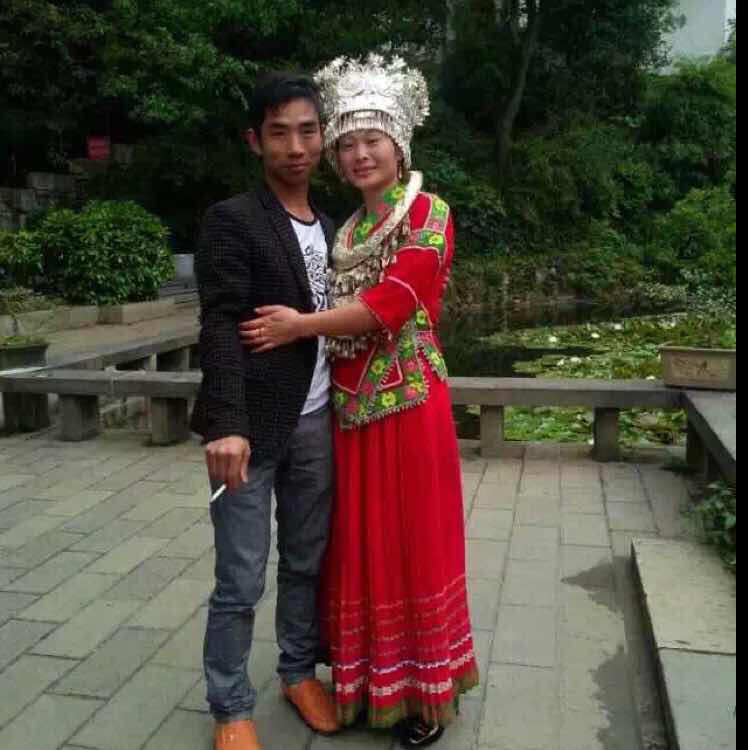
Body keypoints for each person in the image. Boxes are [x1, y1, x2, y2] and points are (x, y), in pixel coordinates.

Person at [240, 55, 479, 748]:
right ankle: (373, 683)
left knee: (413, 544)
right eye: (347, 144)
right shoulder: (344, 232)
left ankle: (426, 697)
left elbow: (390, 305)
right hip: (349, 415)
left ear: (398, 145)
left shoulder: (429, 213)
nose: (359, 154)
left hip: (409, 409)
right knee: (359, 548)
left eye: (373, 140)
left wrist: (301, 325)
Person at [190, 72, 340, 750]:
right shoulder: (233, 219)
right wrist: (225, 424)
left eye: (307, 131)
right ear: (256, 141)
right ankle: (230, 706)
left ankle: (297, 672)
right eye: (280, 133)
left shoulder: (333, 228)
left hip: (318, 422)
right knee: (241, 577)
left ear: (323, 137)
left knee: (306, 560)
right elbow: (220, 322)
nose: (295, 146)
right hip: (250, 428)